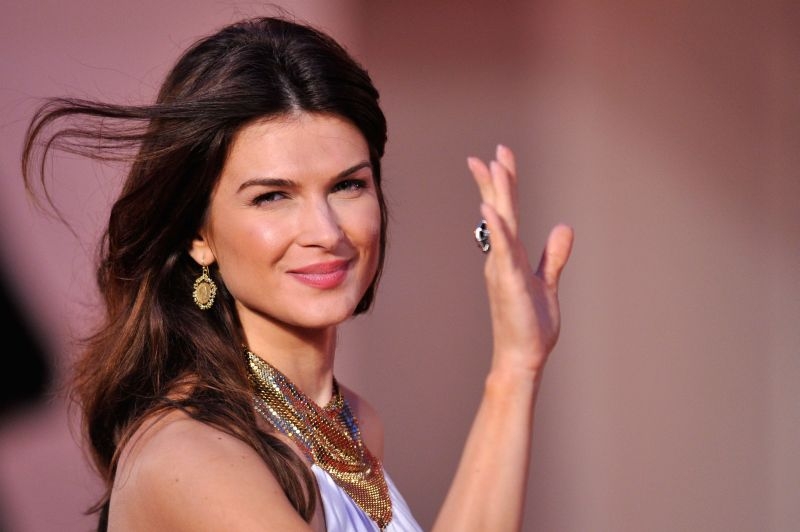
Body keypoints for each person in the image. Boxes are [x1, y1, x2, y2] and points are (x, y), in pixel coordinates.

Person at [21, 14, 573, 532]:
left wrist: (517, 362)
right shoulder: (193, 456)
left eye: (347, 185)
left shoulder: (348, 422)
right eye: (272, 197)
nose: (326, 231)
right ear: (197, 233)